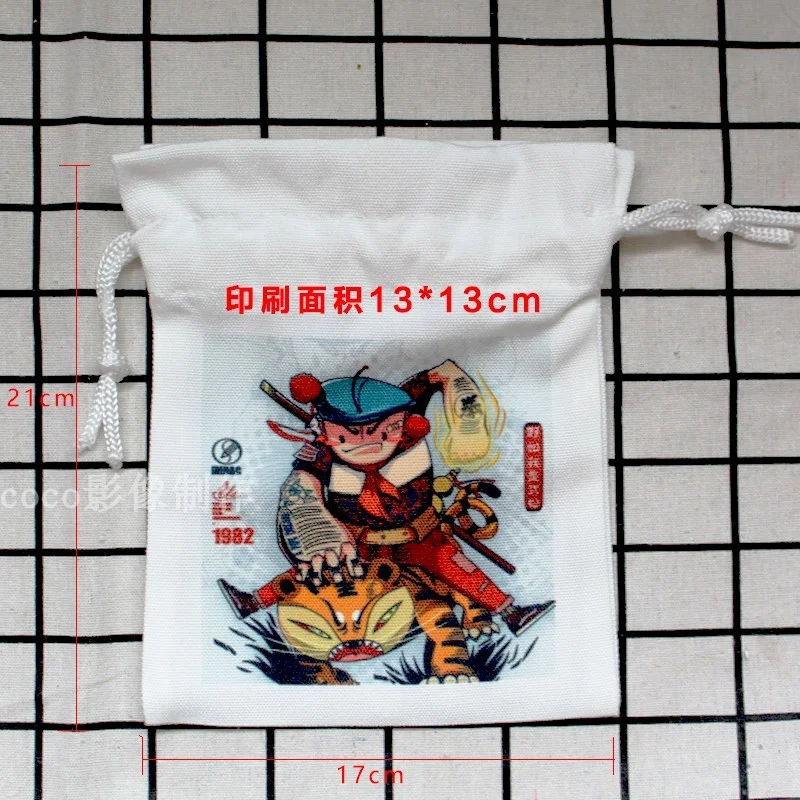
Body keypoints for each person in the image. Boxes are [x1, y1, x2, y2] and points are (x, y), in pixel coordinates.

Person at [219, 361, 553, 636]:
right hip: (357, 542)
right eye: (348, 434)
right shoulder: (320, 454)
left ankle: (510, 613)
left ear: (403, 422)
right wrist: (317, 533)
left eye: (383, 431)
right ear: (326, 429)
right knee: (315, 570)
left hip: (422, 536)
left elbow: (438, 375)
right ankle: (253, 602)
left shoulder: (409, 433)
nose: (368, 442)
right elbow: (301, 488)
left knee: (460, 569)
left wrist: (460, 395)